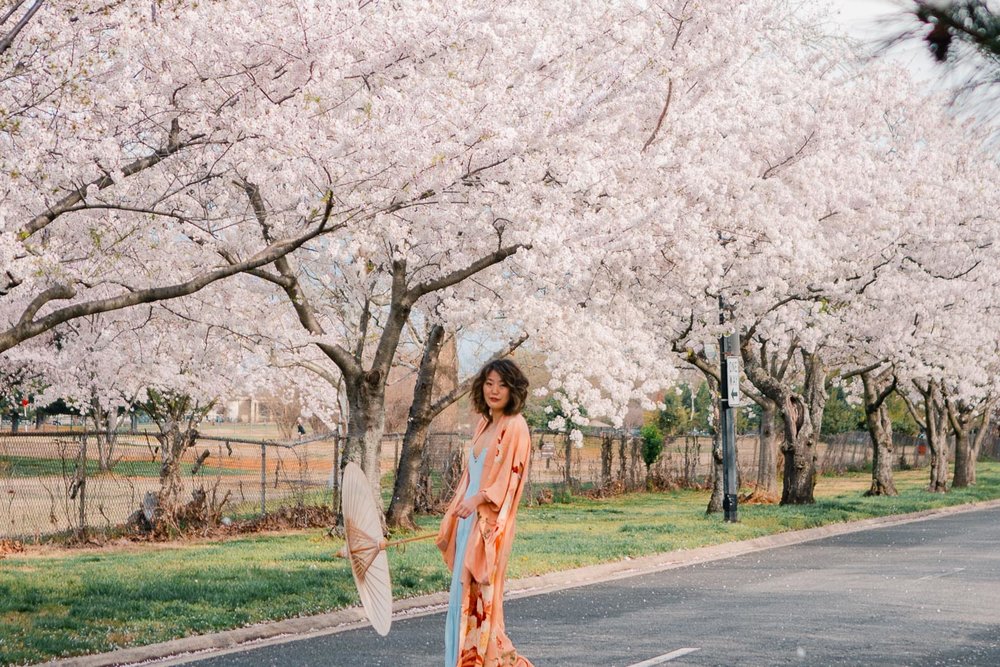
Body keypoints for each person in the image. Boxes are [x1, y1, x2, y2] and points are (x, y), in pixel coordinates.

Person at [436, 359, 534, 667]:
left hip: (489, 529)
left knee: (481, 605)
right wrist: (457, 510)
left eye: (502, 385)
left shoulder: (515, 425)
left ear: (513, 389)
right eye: (489, 383)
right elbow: (471, 476)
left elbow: (510, 481)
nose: (494, 390)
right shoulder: (485, 423)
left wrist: (479, 499)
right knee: (460, 604)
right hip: (468, 523)